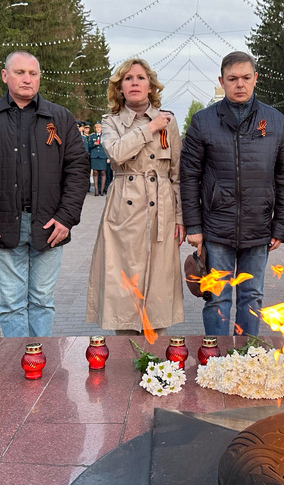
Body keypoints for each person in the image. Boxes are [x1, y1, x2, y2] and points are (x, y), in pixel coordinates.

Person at [0, 50, 90, 338]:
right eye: (20, 72)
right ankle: (17, 368)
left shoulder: (60, 118)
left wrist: (66, 218)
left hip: (50, 224)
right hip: (3, 224)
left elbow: (78, 170)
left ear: (40, 77)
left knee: (43, 301)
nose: (27, 79)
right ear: (6, 76)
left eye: (33, 73)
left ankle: (38, 362)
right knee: (12, 304)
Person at [180, 51, 284, 336]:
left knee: (252, 296)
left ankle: (247, 356)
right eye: (232, 79)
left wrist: (281, 225)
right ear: (222, 81)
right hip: (217, 227)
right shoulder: (203, 121)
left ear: (256, 79)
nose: (239, 84)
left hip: (259, 226)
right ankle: (215, 358)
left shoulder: (276, 121)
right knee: (217, 297)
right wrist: (193, 225)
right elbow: (190, 176)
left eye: (245, 78)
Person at [86, 58, 185, 335]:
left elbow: (177, 172)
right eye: (128, 79)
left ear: (151, 86)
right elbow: (115, 152)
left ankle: (157, 363)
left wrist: (180, 217)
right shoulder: (111, 122)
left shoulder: (170, 121)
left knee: (159, 290)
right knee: (124, 289)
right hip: (124, 211)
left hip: (161, 210)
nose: (134, 83)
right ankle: (125, 354)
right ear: (119, 88)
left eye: (140, 78)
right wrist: (149, 128)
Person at [89, 122, 110, 196]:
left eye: (99, 128)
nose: (98, 129)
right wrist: (94, 144)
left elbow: (107, 147)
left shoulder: (105, 136)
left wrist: (108, 157)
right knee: (95, 172)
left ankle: (102, 191)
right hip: (94, 156)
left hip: (102, 156)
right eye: (97, 128)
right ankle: (96, 191)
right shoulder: (92, 136)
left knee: (103, 172)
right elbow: (89, 146)